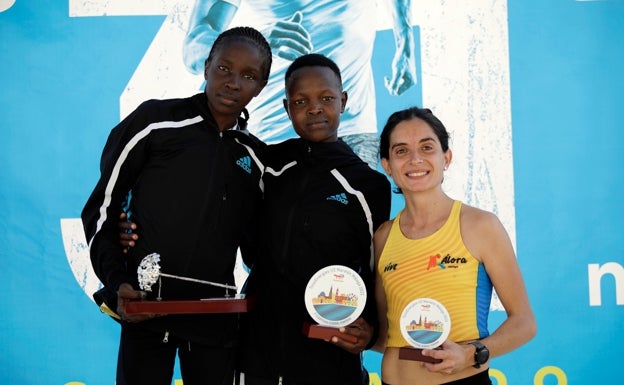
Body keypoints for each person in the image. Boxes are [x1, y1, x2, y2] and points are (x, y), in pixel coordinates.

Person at [81, 26, 272, 385]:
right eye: (224, 68)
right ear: (206, 66)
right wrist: (117, 279)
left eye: (248, 76)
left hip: (215, 319)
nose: (233, 83)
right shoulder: (154, 122)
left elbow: (257, 247)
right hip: (145, 311)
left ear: (261, 87)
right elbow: (102, 209)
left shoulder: (256, 159)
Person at [235, 53, 391, 385]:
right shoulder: (267, 164)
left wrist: (371, 323)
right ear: (286, 107)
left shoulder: (369, 185)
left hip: (329, 352)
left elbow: (379, 269)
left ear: (344, 101)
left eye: (326, 98)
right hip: (258, 347)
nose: (315, 108)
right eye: (301, 100)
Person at [371, 107, 537, 385]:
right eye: (401, 151)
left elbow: (524, 323)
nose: (415, 159)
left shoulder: (479, 226)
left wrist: (472, 353)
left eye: (427, 147)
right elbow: (383, 336)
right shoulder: (384, 236)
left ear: (445, 157)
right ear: (387, 165)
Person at [182, 0, 417, 168]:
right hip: (275, 136)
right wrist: (254, 43)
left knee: (352, 232)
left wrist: (405, 44)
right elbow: (193, 50)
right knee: (274, 235)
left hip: (352, 130)